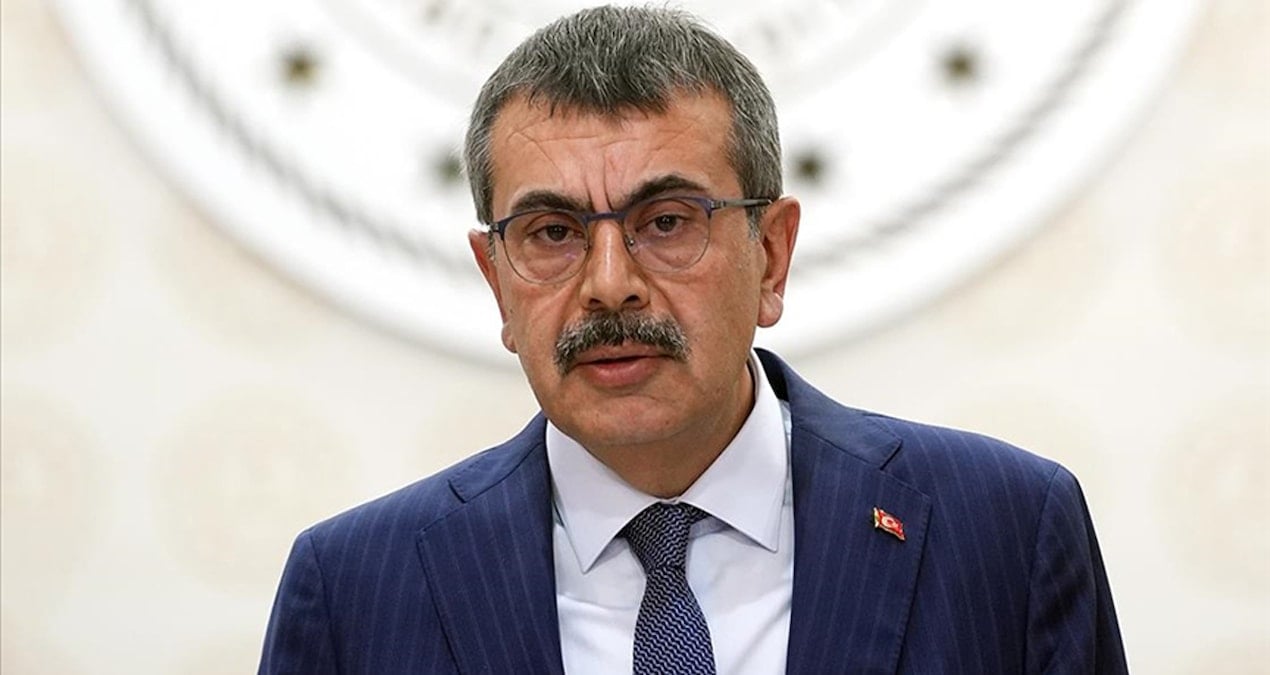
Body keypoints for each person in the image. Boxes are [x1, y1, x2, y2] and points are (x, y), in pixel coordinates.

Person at [259, 6, 1127, 674]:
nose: (608, 283)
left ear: (772, 256)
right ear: (497, 281)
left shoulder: (1005, 532)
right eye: (552, 233)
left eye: (667, 221)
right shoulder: (353, 589)